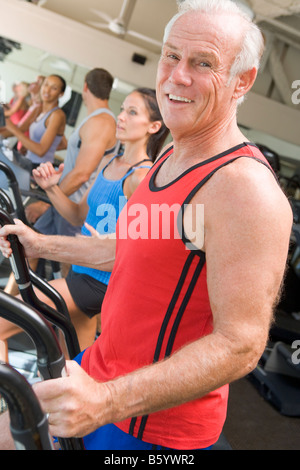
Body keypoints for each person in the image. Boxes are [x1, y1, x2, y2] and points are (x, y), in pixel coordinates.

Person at [0, 0, 292, 451]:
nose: (178, 75)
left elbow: (241, 344)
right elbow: (131, 248)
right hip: (97, 373)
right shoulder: (172, 159)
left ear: (244, 81)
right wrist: (41, 243)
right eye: (172, 55)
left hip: (150, 430)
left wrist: (106, 401)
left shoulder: (242, 189)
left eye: (203, 63)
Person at [0, 87, 169, 355]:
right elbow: (79, 214)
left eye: (132, 112)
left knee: (1, 326)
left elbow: (144, 248)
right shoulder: (108, 161)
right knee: (74, 366)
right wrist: (51, 188)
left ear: (154, 126)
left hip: (98, 283)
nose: (121, 117)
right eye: (123, 109)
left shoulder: (141, 178)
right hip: (80, 273)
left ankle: (9, 397)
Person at [25, 68, 118, 229]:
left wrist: (45, 203)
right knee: (27, 250)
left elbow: (81, 175)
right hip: (62, 201)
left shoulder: (101, 122)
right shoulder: (95, 119)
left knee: (39, 251)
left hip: (72, 208)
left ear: (85, 87)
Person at [0, 74, 66, 171]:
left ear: (61, 94)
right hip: (28, 160)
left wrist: (13, 129)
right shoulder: (39, 109)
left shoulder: (57, 115)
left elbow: (41, 151)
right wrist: (29, 147)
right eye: (45, 85)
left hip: (40, 168)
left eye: (54, 88)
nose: (47, 90)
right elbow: (22, 129)